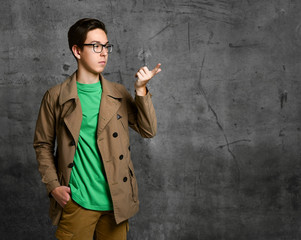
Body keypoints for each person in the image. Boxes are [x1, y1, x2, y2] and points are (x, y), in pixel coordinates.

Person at [33, 18, 161, 240]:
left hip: (116, 203)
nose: (103, 53)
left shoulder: (118, 93)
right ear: (77, 50)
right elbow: (43, 144)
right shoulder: (56, 96)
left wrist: (141, 90)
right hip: (77, 202)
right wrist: (53, 186)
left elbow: (148, 130)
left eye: (106, 46)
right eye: (95, 46)